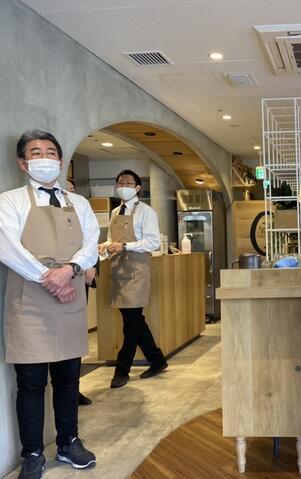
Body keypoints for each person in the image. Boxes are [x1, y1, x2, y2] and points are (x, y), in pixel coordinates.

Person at [0, 130, 99, 479]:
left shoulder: (80, 203)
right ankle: (32, 453)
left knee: (69, 378)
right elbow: (7, 248)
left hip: (69, 295)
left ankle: (69, 441)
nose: (45, 158)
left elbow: (91, 244)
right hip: (29, 300)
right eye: (35, 152)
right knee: (30, 383)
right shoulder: (9, 201)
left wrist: (68, 271)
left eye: (50, 152)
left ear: (60, 160)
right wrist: (50, 279)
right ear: (23, 163)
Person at [99, 170, 167, 389]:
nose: (124, 186)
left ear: (137, 188)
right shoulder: (114, 212)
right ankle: (157, 360)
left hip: (136, 270)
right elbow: (112, 238)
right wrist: (105, 246)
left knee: (131, 322)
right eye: (120, 182)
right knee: (134, 320)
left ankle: (122, 370)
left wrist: (125, 246)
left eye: (129, 183)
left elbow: (153, 242)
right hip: (118, 269)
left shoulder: (146, 212)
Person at [65, 179, 95, 406]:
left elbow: (92, 242)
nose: (69, 194)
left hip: (77, 279)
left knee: (73, 337)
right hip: (43, 283)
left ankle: (73, 390)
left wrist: (90, 265)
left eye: (72, 190)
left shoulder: (82, 208)